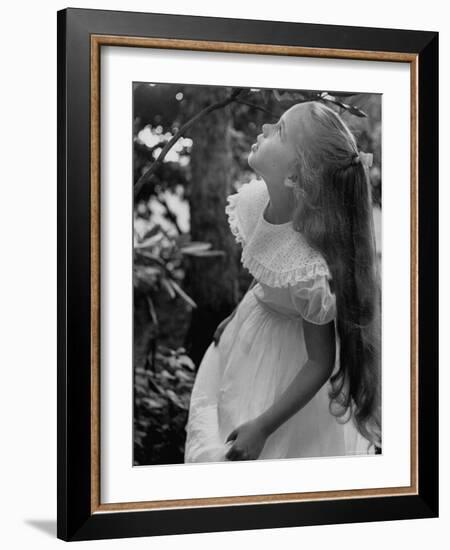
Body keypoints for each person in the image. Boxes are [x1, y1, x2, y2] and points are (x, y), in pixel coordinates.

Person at [184, 100, 381, 463]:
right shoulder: (256, 201)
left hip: (286, 363)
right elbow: (268, 267)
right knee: (219, 412)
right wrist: (238, 315)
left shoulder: (309, 266)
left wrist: (263, 426)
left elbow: (319, 363)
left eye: (280, 130)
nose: (264, 129)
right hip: (251, 326)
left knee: (257, 454)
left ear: (297, 172)